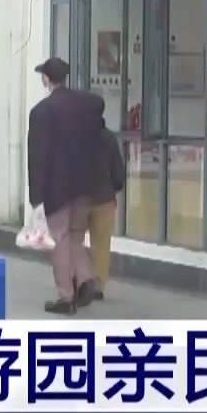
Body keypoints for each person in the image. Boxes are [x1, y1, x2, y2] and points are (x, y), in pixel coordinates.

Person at [27, 56, 108, 313]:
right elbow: (99, 109)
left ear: (46, 79)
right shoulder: (88, 105)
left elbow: (37, 156)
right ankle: (86, 278)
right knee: (75, 235)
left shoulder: (41, 112)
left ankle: (65, 296)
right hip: (85, 184)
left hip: (57, 188)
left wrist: (36, 196)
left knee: (59, 238)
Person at [85, 123, 127, 301]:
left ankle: (77, 281)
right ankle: (98, 286)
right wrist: (112, 188)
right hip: (104, 199)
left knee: (73, 241)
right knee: (101, 244)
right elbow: (118, 173)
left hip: (78, 200)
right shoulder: (108, 138)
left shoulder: (74, 135)